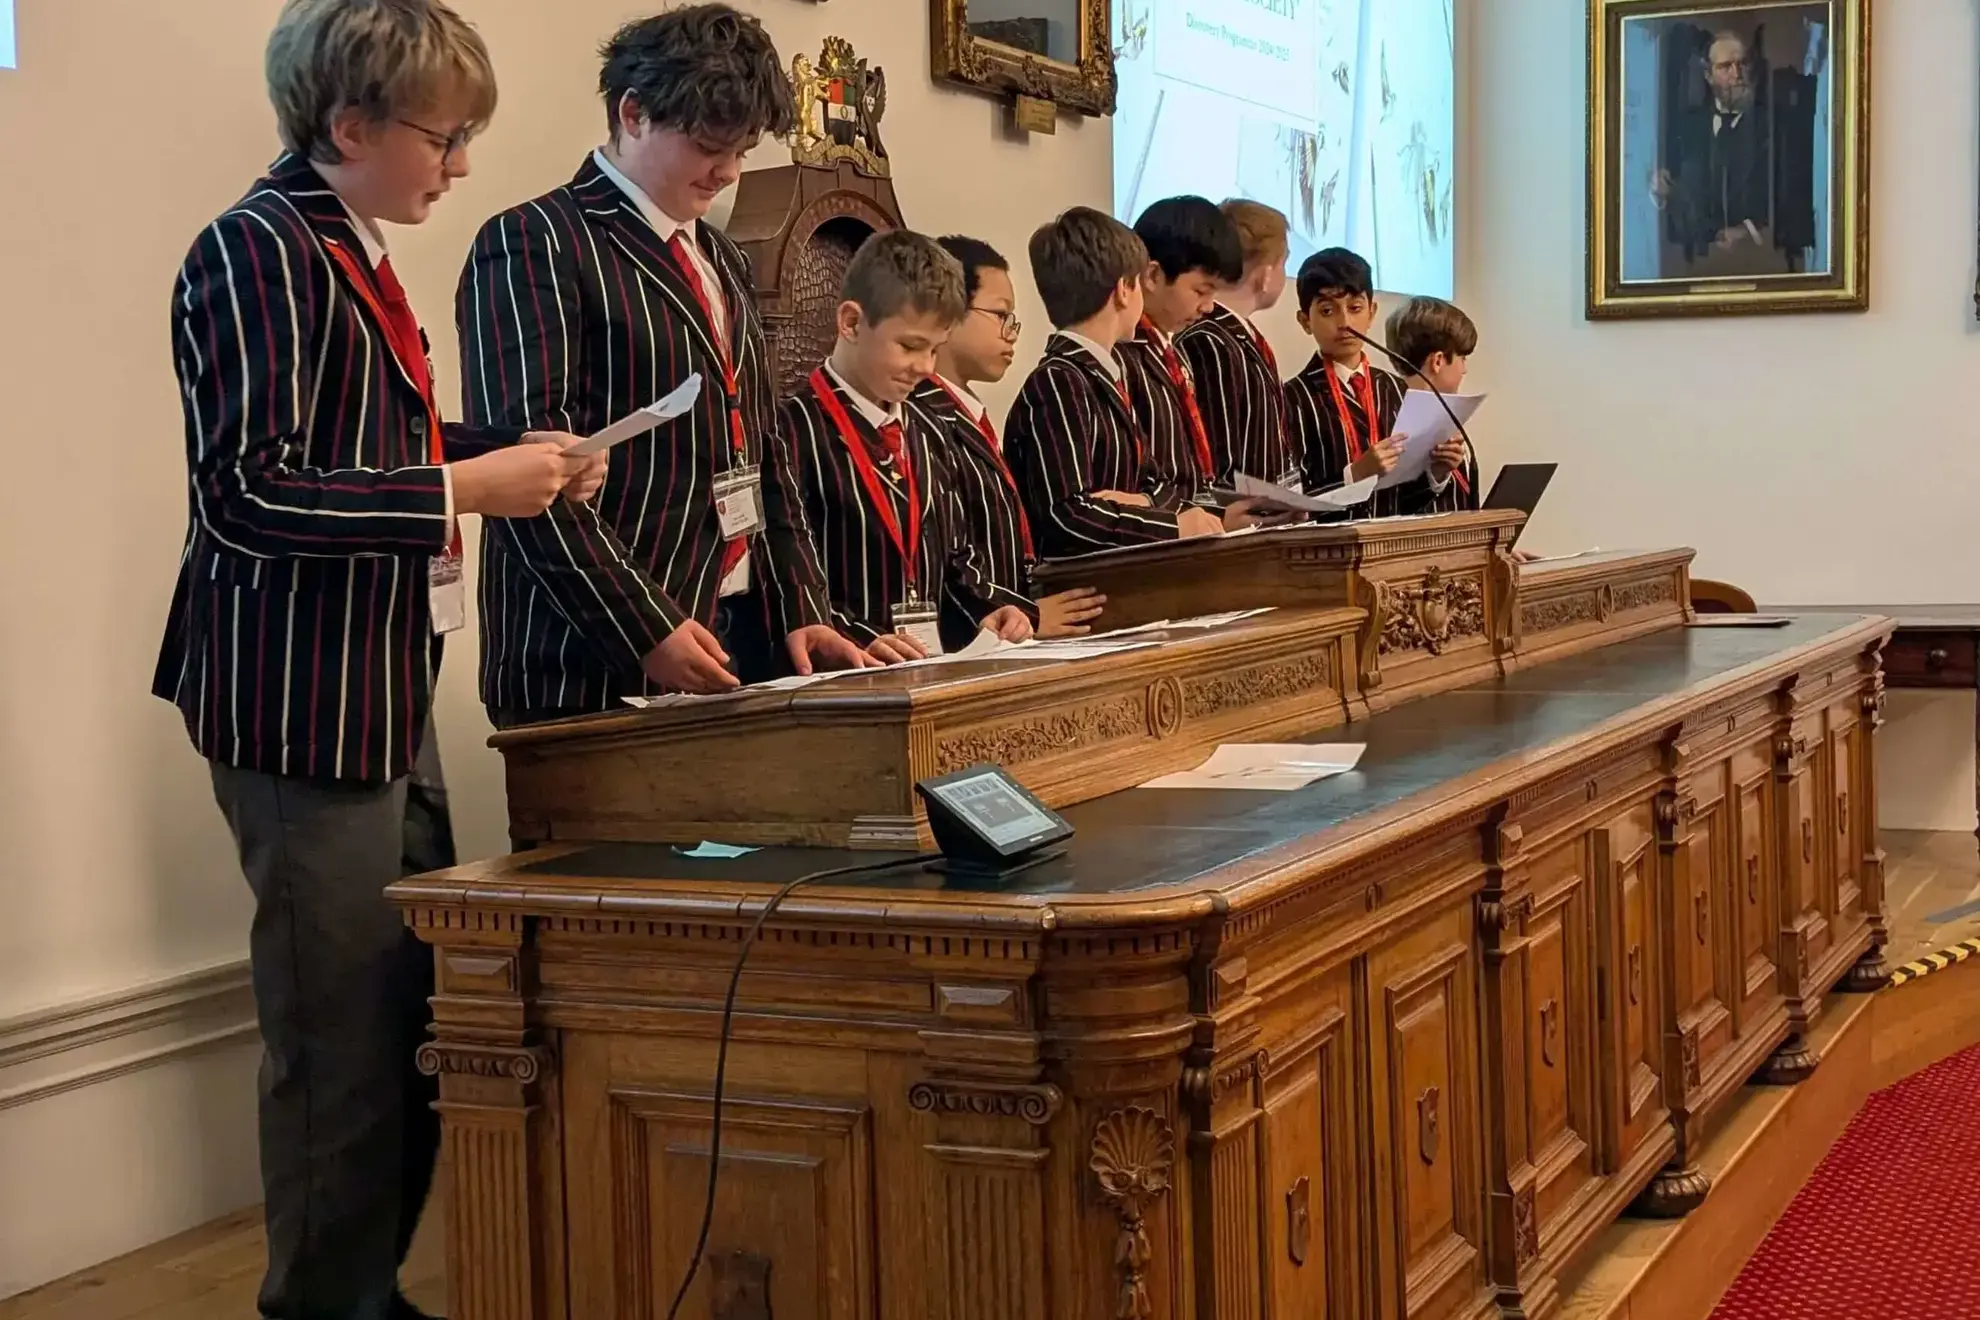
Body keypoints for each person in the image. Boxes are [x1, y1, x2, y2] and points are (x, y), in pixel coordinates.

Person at [151, 3, 602, 1316]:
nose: (458, 167)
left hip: (378, 687)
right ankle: (321, 1303)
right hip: (298, 701)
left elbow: (365, 439)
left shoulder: (343, 240)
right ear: (348, 124)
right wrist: (469, 482)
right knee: (336, 1043)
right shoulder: (254, 248)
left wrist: (517, 451)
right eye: (444, 137)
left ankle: (369, 1288)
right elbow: (250, 494)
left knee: (408, 1019)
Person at [456, 3, 870, 721]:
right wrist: (643, 627)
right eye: (711, 144)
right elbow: (528, 476)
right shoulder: (534, 242)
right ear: (635, 112)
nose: (729, 172)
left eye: (743, 148)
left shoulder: (725, 259)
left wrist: (802, 606)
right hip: (598, 653)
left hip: (741, 635)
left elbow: (765, 450)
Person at [782, 231, 1034, 659]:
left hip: (927, 665)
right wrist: (856, 636)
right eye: (910, 346)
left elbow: (955, 558)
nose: (924, 367)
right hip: (844, 672)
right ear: (851, 323)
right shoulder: (790, 426)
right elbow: (791, 568)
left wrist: (989, 610)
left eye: (935, 350)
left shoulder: (932, 427)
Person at [1003, 207, 1239, 556]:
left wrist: (1141, 499)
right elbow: (1066, 515)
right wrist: (1171, 523)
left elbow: (1161, 485)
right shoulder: (1058, 381)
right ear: (1125, 290)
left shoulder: (1105, 374)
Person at [914, 235, 1107, 639]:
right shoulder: (922, 414)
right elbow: (949, 553)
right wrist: (1027, 614)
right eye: (1001, 315)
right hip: (972, 634)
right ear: (948, 313)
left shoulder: (967, 412)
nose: (1012, 332)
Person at [1283, 247, 1465, 519]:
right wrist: (1355, 475)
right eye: (1327, 311)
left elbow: (1407, 500)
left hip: (1392, 548)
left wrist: (1437, 472)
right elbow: (1291, 501)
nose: (1345, 322)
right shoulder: (1291, 397)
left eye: (1355, 308)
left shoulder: (1396, 389)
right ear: (1305, 321)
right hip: (1328, 553)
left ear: (1372, 312)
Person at [1118, 195, 1243, 507]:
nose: (1209, 306)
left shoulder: (1175, 353)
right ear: (1153, 276)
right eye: (1201, 290)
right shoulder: (1121, 356)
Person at [1176, 199, 1298, 491]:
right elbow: (1221, 458)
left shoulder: (1241, 336)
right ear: (1266, 275)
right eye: (1284, 265)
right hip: (1243, 520)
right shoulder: (1210, 340)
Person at [1382, 296, 1479, 512]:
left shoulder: (1444, 416)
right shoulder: (1389, 419)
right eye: (1462, 358)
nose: (1465, 369)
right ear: (1438, 361)